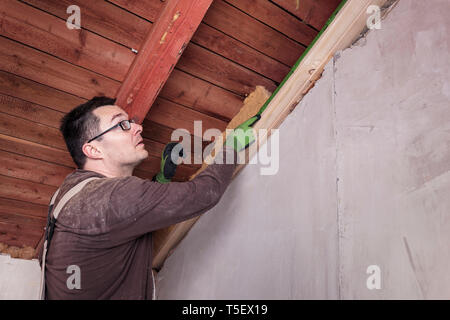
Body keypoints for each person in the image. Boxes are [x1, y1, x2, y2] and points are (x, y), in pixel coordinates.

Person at [40, 96, 258, 299]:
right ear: (93, 150)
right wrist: (231, 147)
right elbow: (204, 194)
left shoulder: (66, 198)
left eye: (131, 121)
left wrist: (161, 181)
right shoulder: (113, 195)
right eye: (121, 125)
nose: (138, 127)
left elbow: (113, 226)